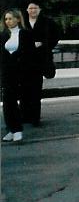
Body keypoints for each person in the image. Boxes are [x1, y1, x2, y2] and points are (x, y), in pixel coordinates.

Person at [21, 1, 58, 126]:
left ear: (39, 9)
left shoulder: (48, 22)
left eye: (35, 8)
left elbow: (55, 37)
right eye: (30, 8)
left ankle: (35, 118)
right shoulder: (22, 23)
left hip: (40, 61)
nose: (32, 10)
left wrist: (44, 45)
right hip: (24, 61)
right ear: (27, 10)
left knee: (36, 91)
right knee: (24, 90)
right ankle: (24, 116)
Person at [2, 9, 35, 141]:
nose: (8, 21)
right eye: (6, 19)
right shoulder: (3, 35)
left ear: (18, 19)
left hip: (21, 72)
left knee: (20, 100)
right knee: (8, 101)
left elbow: (28, 53)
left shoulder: (25, 34)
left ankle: (16, 128)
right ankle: (12, 128)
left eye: (10, 18)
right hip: (7, 72)